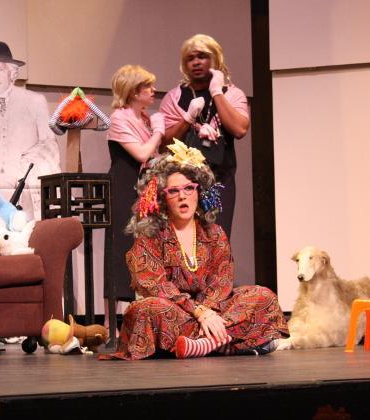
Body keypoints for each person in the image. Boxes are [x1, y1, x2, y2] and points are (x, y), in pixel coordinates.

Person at [102, 139, 288, 360]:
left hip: (213, 310)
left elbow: (222, 281)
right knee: (146, 309)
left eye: (189, 188)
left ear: (199, 192)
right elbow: (154, 285)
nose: (183, 196)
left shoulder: (214, 233)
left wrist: (208, 312)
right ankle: (223, 341)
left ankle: (204, 343)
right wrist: (198, 313)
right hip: (176, 311)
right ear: (162, 197)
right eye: (174, 191)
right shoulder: (150, 235)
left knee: (262, 296)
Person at [160, 34, 249, 238]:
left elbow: (240, 129)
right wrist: (188, 118)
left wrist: (216, 91)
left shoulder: (232, 94)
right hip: (180, 185)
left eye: (202, 56)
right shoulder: (174, 97)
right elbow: (163, 144)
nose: (196, 62)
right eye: (191, 58)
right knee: (183, 241)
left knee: (217, 240)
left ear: (215, 59)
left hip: (219, 182)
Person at [0, 41, 61, 220]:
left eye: (0, 69)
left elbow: (48, 143)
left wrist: (31, 167)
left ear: (11, 72)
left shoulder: (35, 101)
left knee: (23, 239)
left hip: (22, 187)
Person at [104, 65, 165, 304]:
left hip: (145, 188)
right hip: (123, 188)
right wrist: (159, 132)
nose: (154, 90)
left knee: (147, 246)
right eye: (147, 86)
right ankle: (110, 322)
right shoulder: (120, 117)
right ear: (132, 91)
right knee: (122, 247)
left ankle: (142, 307)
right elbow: (141, 154)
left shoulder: (144, 118)